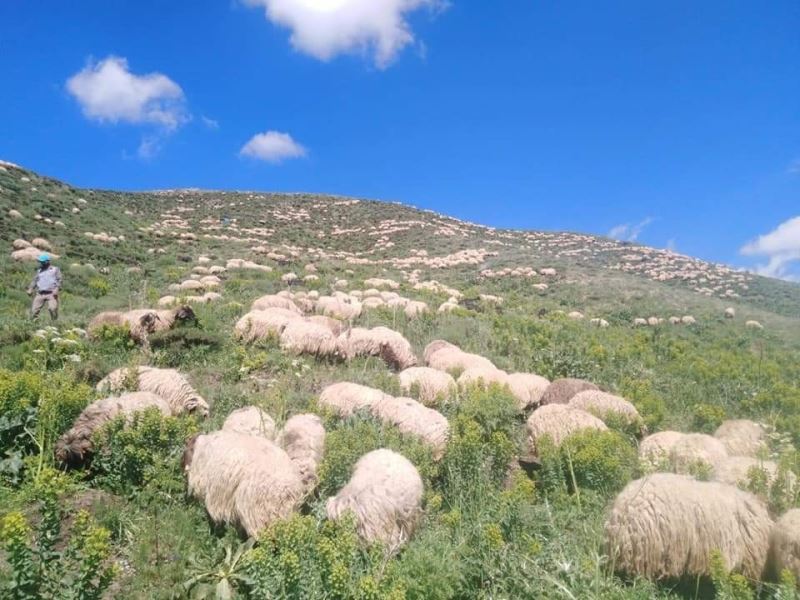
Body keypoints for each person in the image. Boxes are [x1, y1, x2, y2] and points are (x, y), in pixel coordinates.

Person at [27, 254, 62, 321]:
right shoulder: (39, 271)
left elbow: (59, 280)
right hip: (40, 293)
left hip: (51, 293)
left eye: (42, 261)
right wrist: (30, 288)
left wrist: (57, 289)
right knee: (34, 311)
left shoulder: (55, 269)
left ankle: (54, 323)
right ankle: (34, 324)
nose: (41, 263)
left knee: (52, 308)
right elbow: (35, 280)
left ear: (47, 261)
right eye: (40, 261)